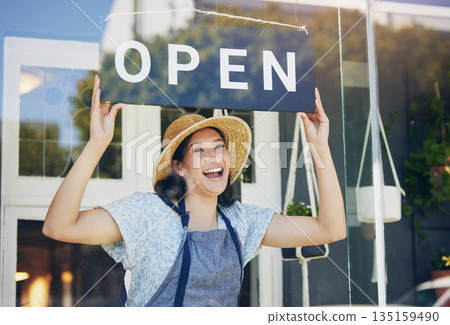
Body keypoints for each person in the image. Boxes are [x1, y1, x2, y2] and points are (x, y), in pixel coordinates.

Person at [43, 75, 346, 307]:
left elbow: (330, 229)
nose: (215, 157)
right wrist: (97, 143)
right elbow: (59, 226)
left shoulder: (241, 223)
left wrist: (319, 145)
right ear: (179, 167)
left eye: (220, 148)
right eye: (200, 151)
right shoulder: (147, 215)